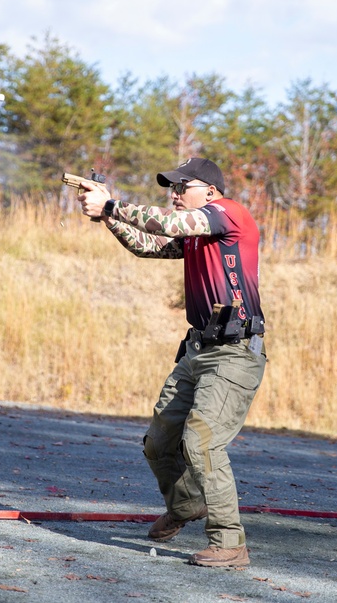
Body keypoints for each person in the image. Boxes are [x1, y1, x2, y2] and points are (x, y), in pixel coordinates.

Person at [76, 158, 267, 568]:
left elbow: (164, 223)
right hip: (197, 350)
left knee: (202, 441)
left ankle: (230, 543)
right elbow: (148, 243)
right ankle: (185, 505)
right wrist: (106, 218)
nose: (175, 195)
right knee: (159, 443)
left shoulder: (228, 213)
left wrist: (110, 205)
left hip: (233, 354)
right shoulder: (200, 233)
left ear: (211, 193)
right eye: (172, 189)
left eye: (183, 187)